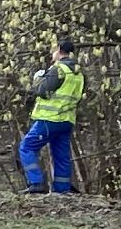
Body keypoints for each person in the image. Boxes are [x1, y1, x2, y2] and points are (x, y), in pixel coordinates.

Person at [18, 38, 85, 195]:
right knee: (61, 155)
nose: (52, 53)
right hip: (67, 120)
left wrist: (38, 79)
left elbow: (43, 91)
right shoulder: (78, 73)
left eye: (54, 50)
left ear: (60, 50)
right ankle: (62, 189)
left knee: (26, 147)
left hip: (50, 119)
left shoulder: (59, 70)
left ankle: (36, 183)